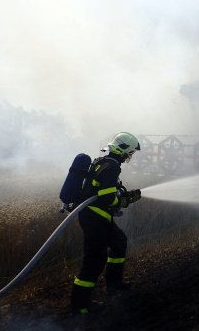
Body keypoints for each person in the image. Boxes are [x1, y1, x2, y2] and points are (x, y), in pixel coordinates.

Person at [71, 132, 142, 314]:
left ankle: (114, 285)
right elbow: (107, 197)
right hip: (94, 217)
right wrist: (125, 201)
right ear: (123, 150)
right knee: (95, 259)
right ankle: (80, 305)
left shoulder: (104, 162)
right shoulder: (112, 167)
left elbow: (105, 191)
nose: (130, 157)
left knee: (119, 242)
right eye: (130, 153)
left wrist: (124, 195)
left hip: (98, 216)